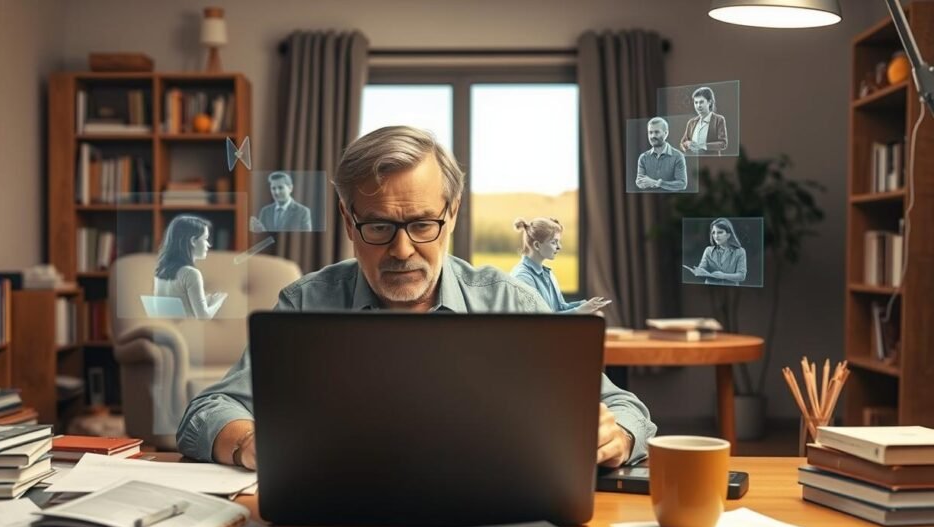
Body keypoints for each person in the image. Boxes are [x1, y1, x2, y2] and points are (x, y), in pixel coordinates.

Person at [177, 125, 656, 471]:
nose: (402, 251)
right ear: (349, 221)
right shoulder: (306, 303)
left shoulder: (512, 302)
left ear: (451, 216)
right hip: (338, 525)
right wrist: (248, 443)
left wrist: (616, 436)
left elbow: (629, 411)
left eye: (422, 224)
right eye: (379, 226)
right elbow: (205, 412)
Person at [509, 217, 609, 314]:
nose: (559, 247)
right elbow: (540, 321)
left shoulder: (547, 274)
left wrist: (586, 305)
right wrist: (580, 310)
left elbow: (559, 308)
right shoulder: (522, 278)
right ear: (537, 245)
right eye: (554, 242)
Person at [153, 215, 228, 318]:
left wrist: (206, 300)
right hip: (187, 332)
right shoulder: (191, 273)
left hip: (166, 331)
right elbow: (203, 317)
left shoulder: (160, 271)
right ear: (193, 241)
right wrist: (218, 301)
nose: (208, 245)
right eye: (205, 239)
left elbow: (178, 304)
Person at [684, 217, 747, 286]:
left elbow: (741, 276)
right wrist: (699, 271)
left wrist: (723, 275)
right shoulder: (708, 250)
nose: (716, 236)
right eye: (713, 233)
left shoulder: (740, 251)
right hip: (710, 288)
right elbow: (702, 268)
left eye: (720, 232)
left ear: (728, 235)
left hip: (731, 289)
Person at [635, 117, 688, 191]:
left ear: (666, 133)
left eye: (656, 132)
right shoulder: (643, 157)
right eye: (650, 132)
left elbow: (682, 184)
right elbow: (639, 182)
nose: (652, 136)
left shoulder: (678, 156)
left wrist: (658, 183)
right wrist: (664, 184)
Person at [679, 86, 729, 156]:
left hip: (712, 163)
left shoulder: (719, 120)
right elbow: (682, 143)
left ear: (710, 102)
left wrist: (701, 146)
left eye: (701, 102)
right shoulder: (691, 122)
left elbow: (723, 144)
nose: (698, 105)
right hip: (693, 163)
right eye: (696, 102)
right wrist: (686, 145)